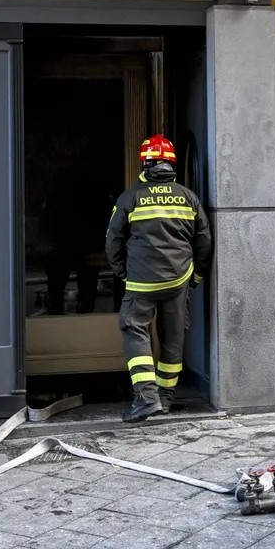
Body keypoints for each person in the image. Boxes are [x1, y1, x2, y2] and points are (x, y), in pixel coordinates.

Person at [106, 134, 213, 423]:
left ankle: (146, 399)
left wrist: (122, 272)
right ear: (171, 165)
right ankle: (165, 399)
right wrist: (197, 276)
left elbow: (113, 240)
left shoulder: (131, 197)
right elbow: (204, 241)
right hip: (178, 280)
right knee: (172, 338)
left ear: (145, 164)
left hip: (141, 281)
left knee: (135, 330)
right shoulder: (188, 196)